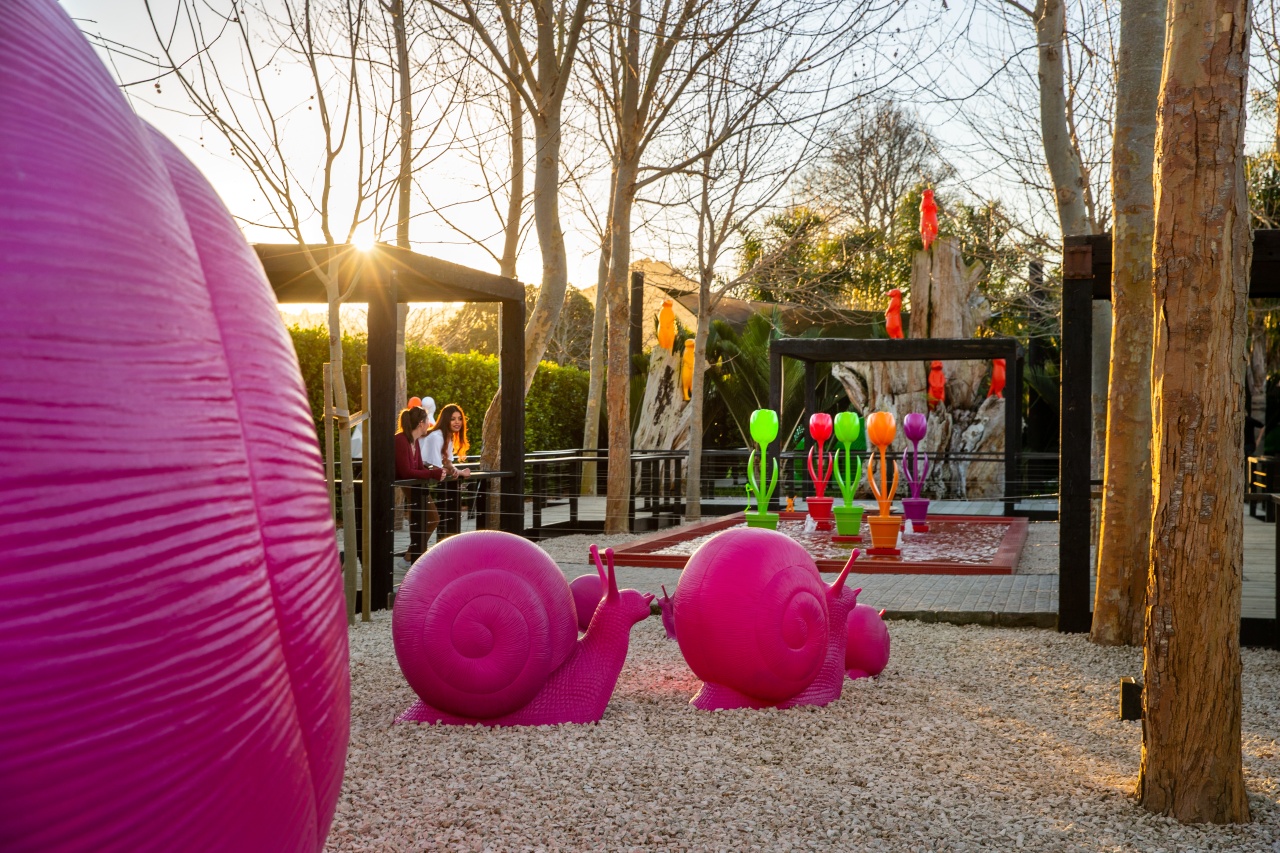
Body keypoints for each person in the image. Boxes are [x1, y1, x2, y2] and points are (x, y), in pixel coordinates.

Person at [395, 406, 450, 564]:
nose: (429, 425)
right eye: (427, 422)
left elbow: (419, 468)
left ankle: (414, 555)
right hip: (408, 486)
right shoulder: (400, 440)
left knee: (432, 519)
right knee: (430, 518)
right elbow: (406, 472)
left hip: (417, 488)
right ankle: (413, 556)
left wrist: (438, 470)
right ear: (420, 423)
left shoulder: (414, 442)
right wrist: (433, 474)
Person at [422, 403, 472, 479]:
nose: (457, 422)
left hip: (422, 470)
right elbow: (437, 471)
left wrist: (453, 468)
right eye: (453, 419)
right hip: (413, 470)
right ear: (446, 420)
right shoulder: (437, 437)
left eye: (460, 418)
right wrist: (460, 472)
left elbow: (447, 463)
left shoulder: (448, 436)